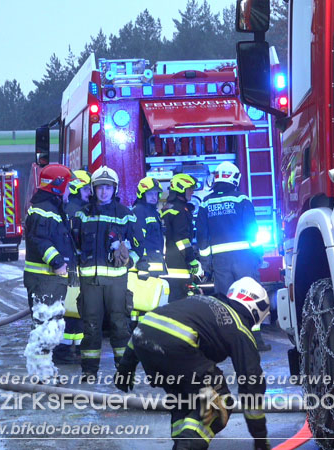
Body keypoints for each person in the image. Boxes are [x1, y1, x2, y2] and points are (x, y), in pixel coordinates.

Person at [115, 277, 271, 450]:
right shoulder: (239, 327)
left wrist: (125, 368)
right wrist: (260, 439)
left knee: (185, 400)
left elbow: (145, 327)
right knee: (219, 402)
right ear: (257, 309)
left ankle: (181, 444)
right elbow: (251, 384)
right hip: (178, 346)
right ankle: (186, 447)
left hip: (143, 341)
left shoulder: (202, 301)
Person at [72, 166, 141, 380]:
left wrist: (128, 260)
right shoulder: (82, 214)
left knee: (120, 326)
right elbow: (74, 245)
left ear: (115, 189)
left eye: (108, 188)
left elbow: (140, 247)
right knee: (91, 327)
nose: (104, 192)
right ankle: (89, 372)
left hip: (116, 282)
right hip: (90, 282)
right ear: (93, 189)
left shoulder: (125, 215)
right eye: (100, 187)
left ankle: (124, 371)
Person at [196, 162, 269, 351]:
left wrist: (206, 262)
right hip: (244, 258)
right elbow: (252, 230)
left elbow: (202, 236)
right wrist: (258, 254)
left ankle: (229, 343)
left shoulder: (205, 202)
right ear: (234, 177)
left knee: (226, 300)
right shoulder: (242, 199)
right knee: (250, 296)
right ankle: (256, 340)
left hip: (220, 261)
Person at [23, 163, 76, 381]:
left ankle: (44, 370)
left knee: (49, 325)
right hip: (45, 279)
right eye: (67, 186)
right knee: (46, 326)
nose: (69, 191)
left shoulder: (50, 209)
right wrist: (56, 262)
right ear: (57, 186)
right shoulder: (45, 212)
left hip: (49, 280)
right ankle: (41, 374)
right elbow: (40, 240)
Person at [52, 169, 91, 365]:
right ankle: (64, 351)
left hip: (71, 266)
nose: (89, 192)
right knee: (70, 311)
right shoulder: (76, 211)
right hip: (72, 268)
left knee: (72, 310)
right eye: (86, 188)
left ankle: (70, 350)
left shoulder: (71, 209)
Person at [129, 176, 167, 326]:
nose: (154, 196)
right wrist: (142, 264)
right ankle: (140, 332)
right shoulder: (139, 211)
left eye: (156, 193)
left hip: (153, 264)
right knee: (142, 303)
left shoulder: (151, 212)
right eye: (150, 193)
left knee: (149, 302)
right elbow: (138, 241)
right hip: (145, 266)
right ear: (142, 194)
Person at [161, 173, 202, 302]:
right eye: (190, 189)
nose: (192, 192)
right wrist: (192, 260)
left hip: (170, 261)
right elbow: (182, 240)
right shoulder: (180, 212)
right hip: (178, 264)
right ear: (181, 188)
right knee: (181, 301)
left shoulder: (169, 207)